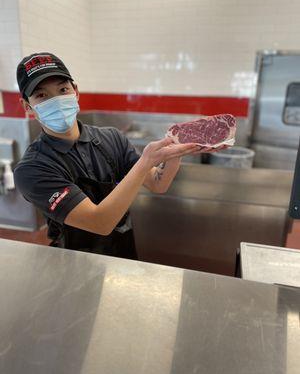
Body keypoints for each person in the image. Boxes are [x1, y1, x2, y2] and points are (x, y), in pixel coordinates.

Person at [14, 52, 222, 259]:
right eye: (42, 95)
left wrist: (177, 150)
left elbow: (158, 184)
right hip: (73, 263)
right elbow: (99, 223)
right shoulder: (32, 169)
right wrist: (145, 161)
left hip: (123, 256)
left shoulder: (111, 138)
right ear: (27, 106)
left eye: (63, 89)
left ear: (75, 91)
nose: (57, 100)